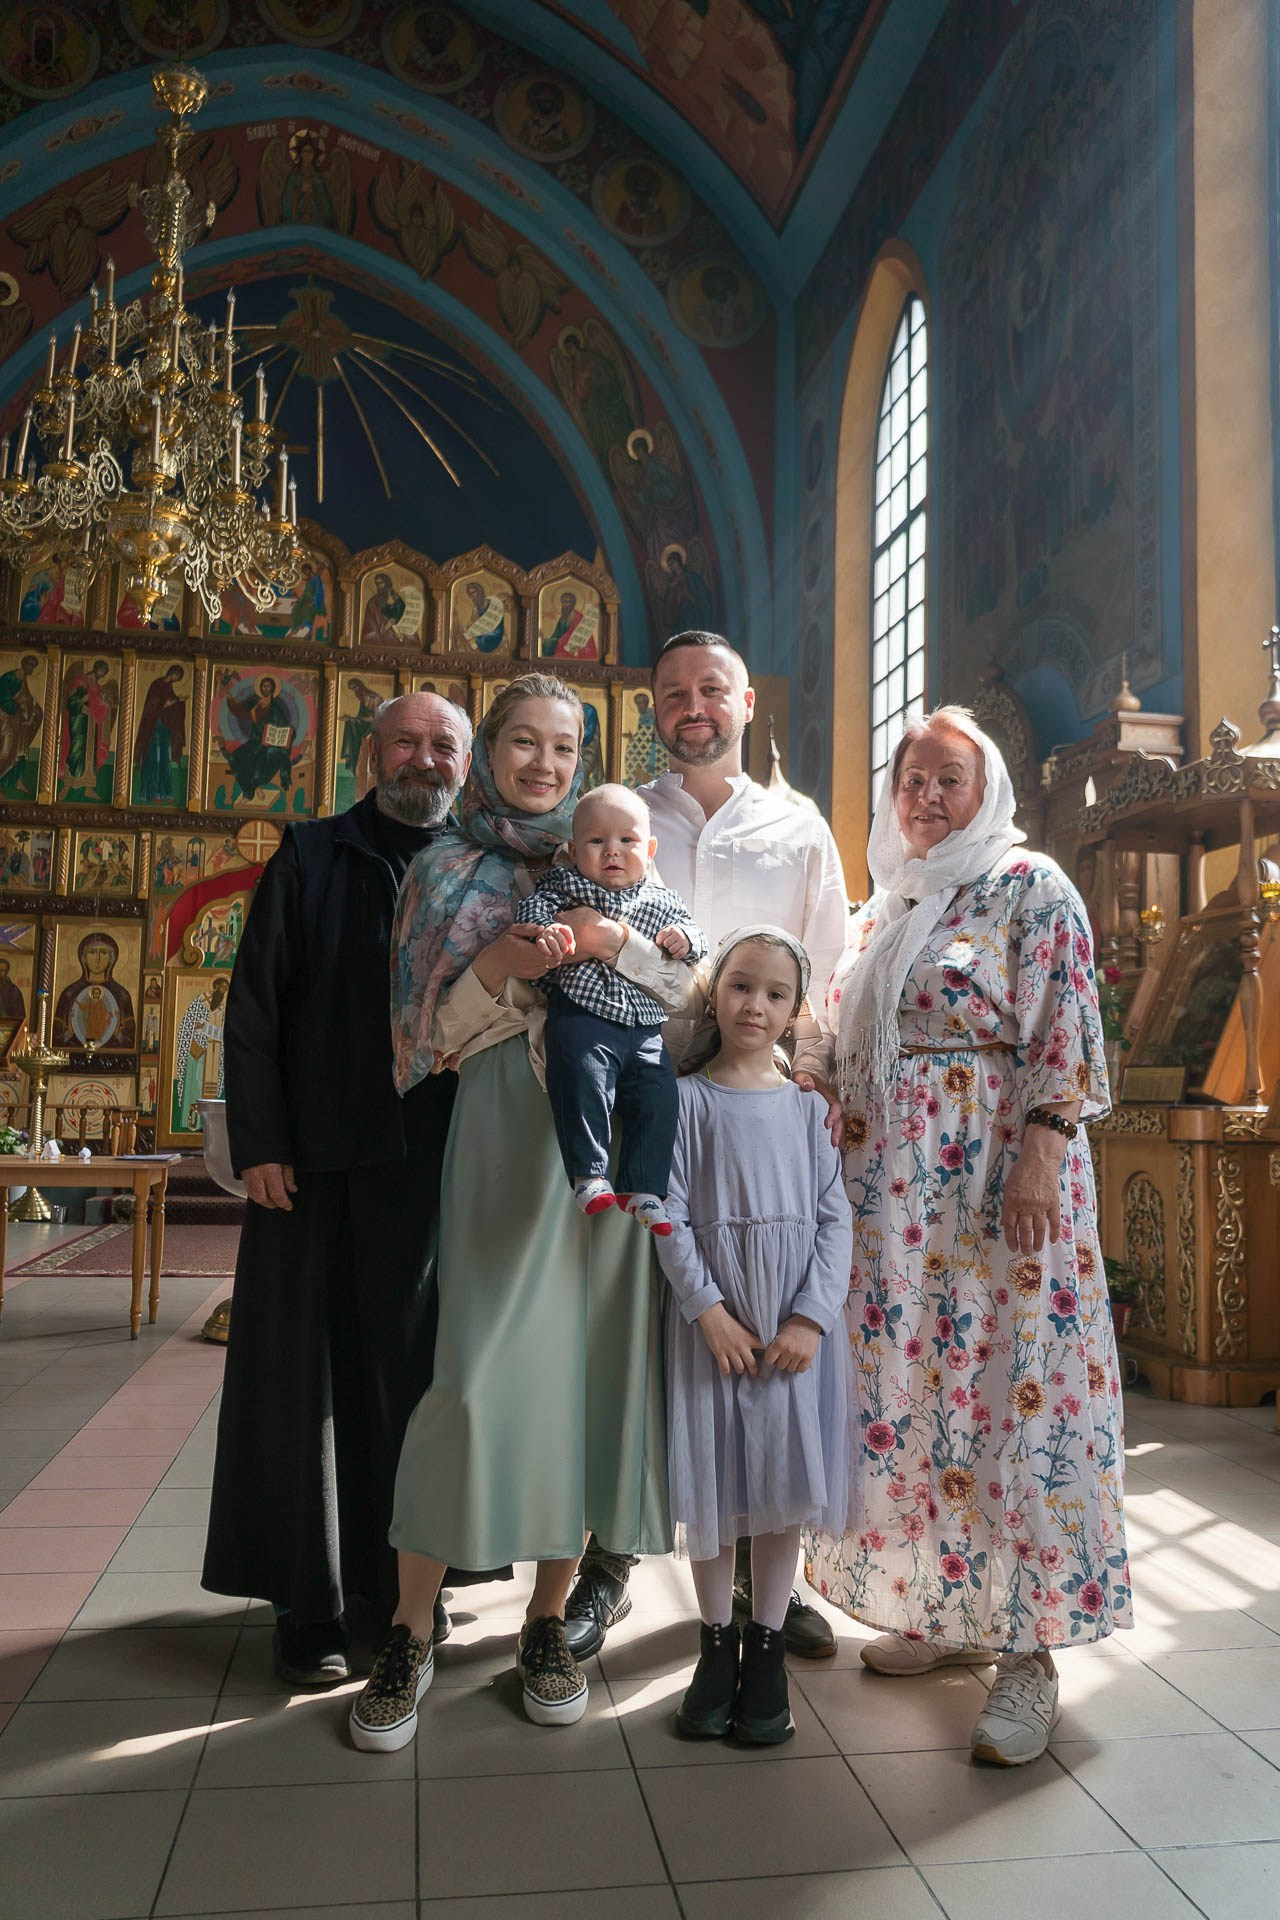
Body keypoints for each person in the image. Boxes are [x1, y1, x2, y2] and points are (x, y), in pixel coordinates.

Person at [349, 674, 695, 1752]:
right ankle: (409, 1630)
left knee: (589, 1371)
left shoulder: (616, 859)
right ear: (490, 749)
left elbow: (687, 993)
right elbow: (423, 1039)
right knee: (475, 1369)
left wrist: (609, 948)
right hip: (503, 1128)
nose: (543, 764)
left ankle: (545, 1623)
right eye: (523, 744)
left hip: (616, 1142)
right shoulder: (446, 870)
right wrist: (501, 968)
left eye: (563, 747)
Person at [806, 706, 1131, 1767]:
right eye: (910, 780)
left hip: (996, 1193)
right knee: (921, 1395)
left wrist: (1041, 1150)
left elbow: (1065, 1032)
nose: (925, 797)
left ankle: (1029, 1655)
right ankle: (949, 1614)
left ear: (983, 789)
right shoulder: (881, 910)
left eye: (949, 779)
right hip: (894, 1212)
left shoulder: (1031, 885)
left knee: (1012, 1394)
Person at [566, 628, 850, 1664]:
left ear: (744, 702)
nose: (694, 705)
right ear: (654, 707)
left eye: (712, 689)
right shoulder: (620, 820)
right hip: (642, 1109)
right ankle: (606, 1563)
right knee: (634, 1337)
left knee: (755, 1334)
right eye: (674, 692)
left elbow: (831, 959)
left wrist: (808, 1082)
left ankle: (768, 1581)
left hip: (755, 1116)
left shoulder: (795, 826)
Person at [202, 692, 473, 1687]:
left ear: (464, 762)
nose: (424, 758)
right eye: (406, 740)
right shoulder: (309, 855)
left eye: (443, 744)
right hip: (307, 1169)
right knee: (296, 1382)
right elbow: (255, 1004)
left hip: (427, 1167)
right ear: (372, 754)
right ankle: (303, 1606)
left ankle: (401, 1590)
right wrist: (261, 1139)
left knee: (409, 1381)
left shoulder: (474, 869)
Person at [659, 929, 855, 1746]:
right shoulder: (684, 1100)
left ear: (794, 1010)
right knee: (715, 1485)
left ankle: (766, 1647)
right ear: (715, 994)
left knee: (779, 1491)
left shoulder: (810, 1111)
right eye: (742, 986)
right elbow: (663, 1211)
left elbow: (835, 1220)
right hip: (716, 1329)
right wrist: (705, 1307)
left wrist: (811, 1317)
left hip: (788, 1333)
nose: (756, 1005)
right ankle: (715, 1646)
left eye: (776, 994)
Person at [515, 783, 707, 1231]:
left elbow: (695, 941)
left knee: (660, 1096)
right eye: (596, 842)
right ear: (574, 849)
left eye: (627, 840)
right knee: (581, 1076)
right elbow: (533, 910)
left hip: (643, 1026)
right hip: (584, 1011)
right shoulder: (565, 884)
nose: (612, 852)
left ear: (650, 848)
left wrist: (685, 941)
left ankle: (645, 1188)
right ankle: (590, 1174)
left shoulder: (662, 900)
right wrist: (546, 931)